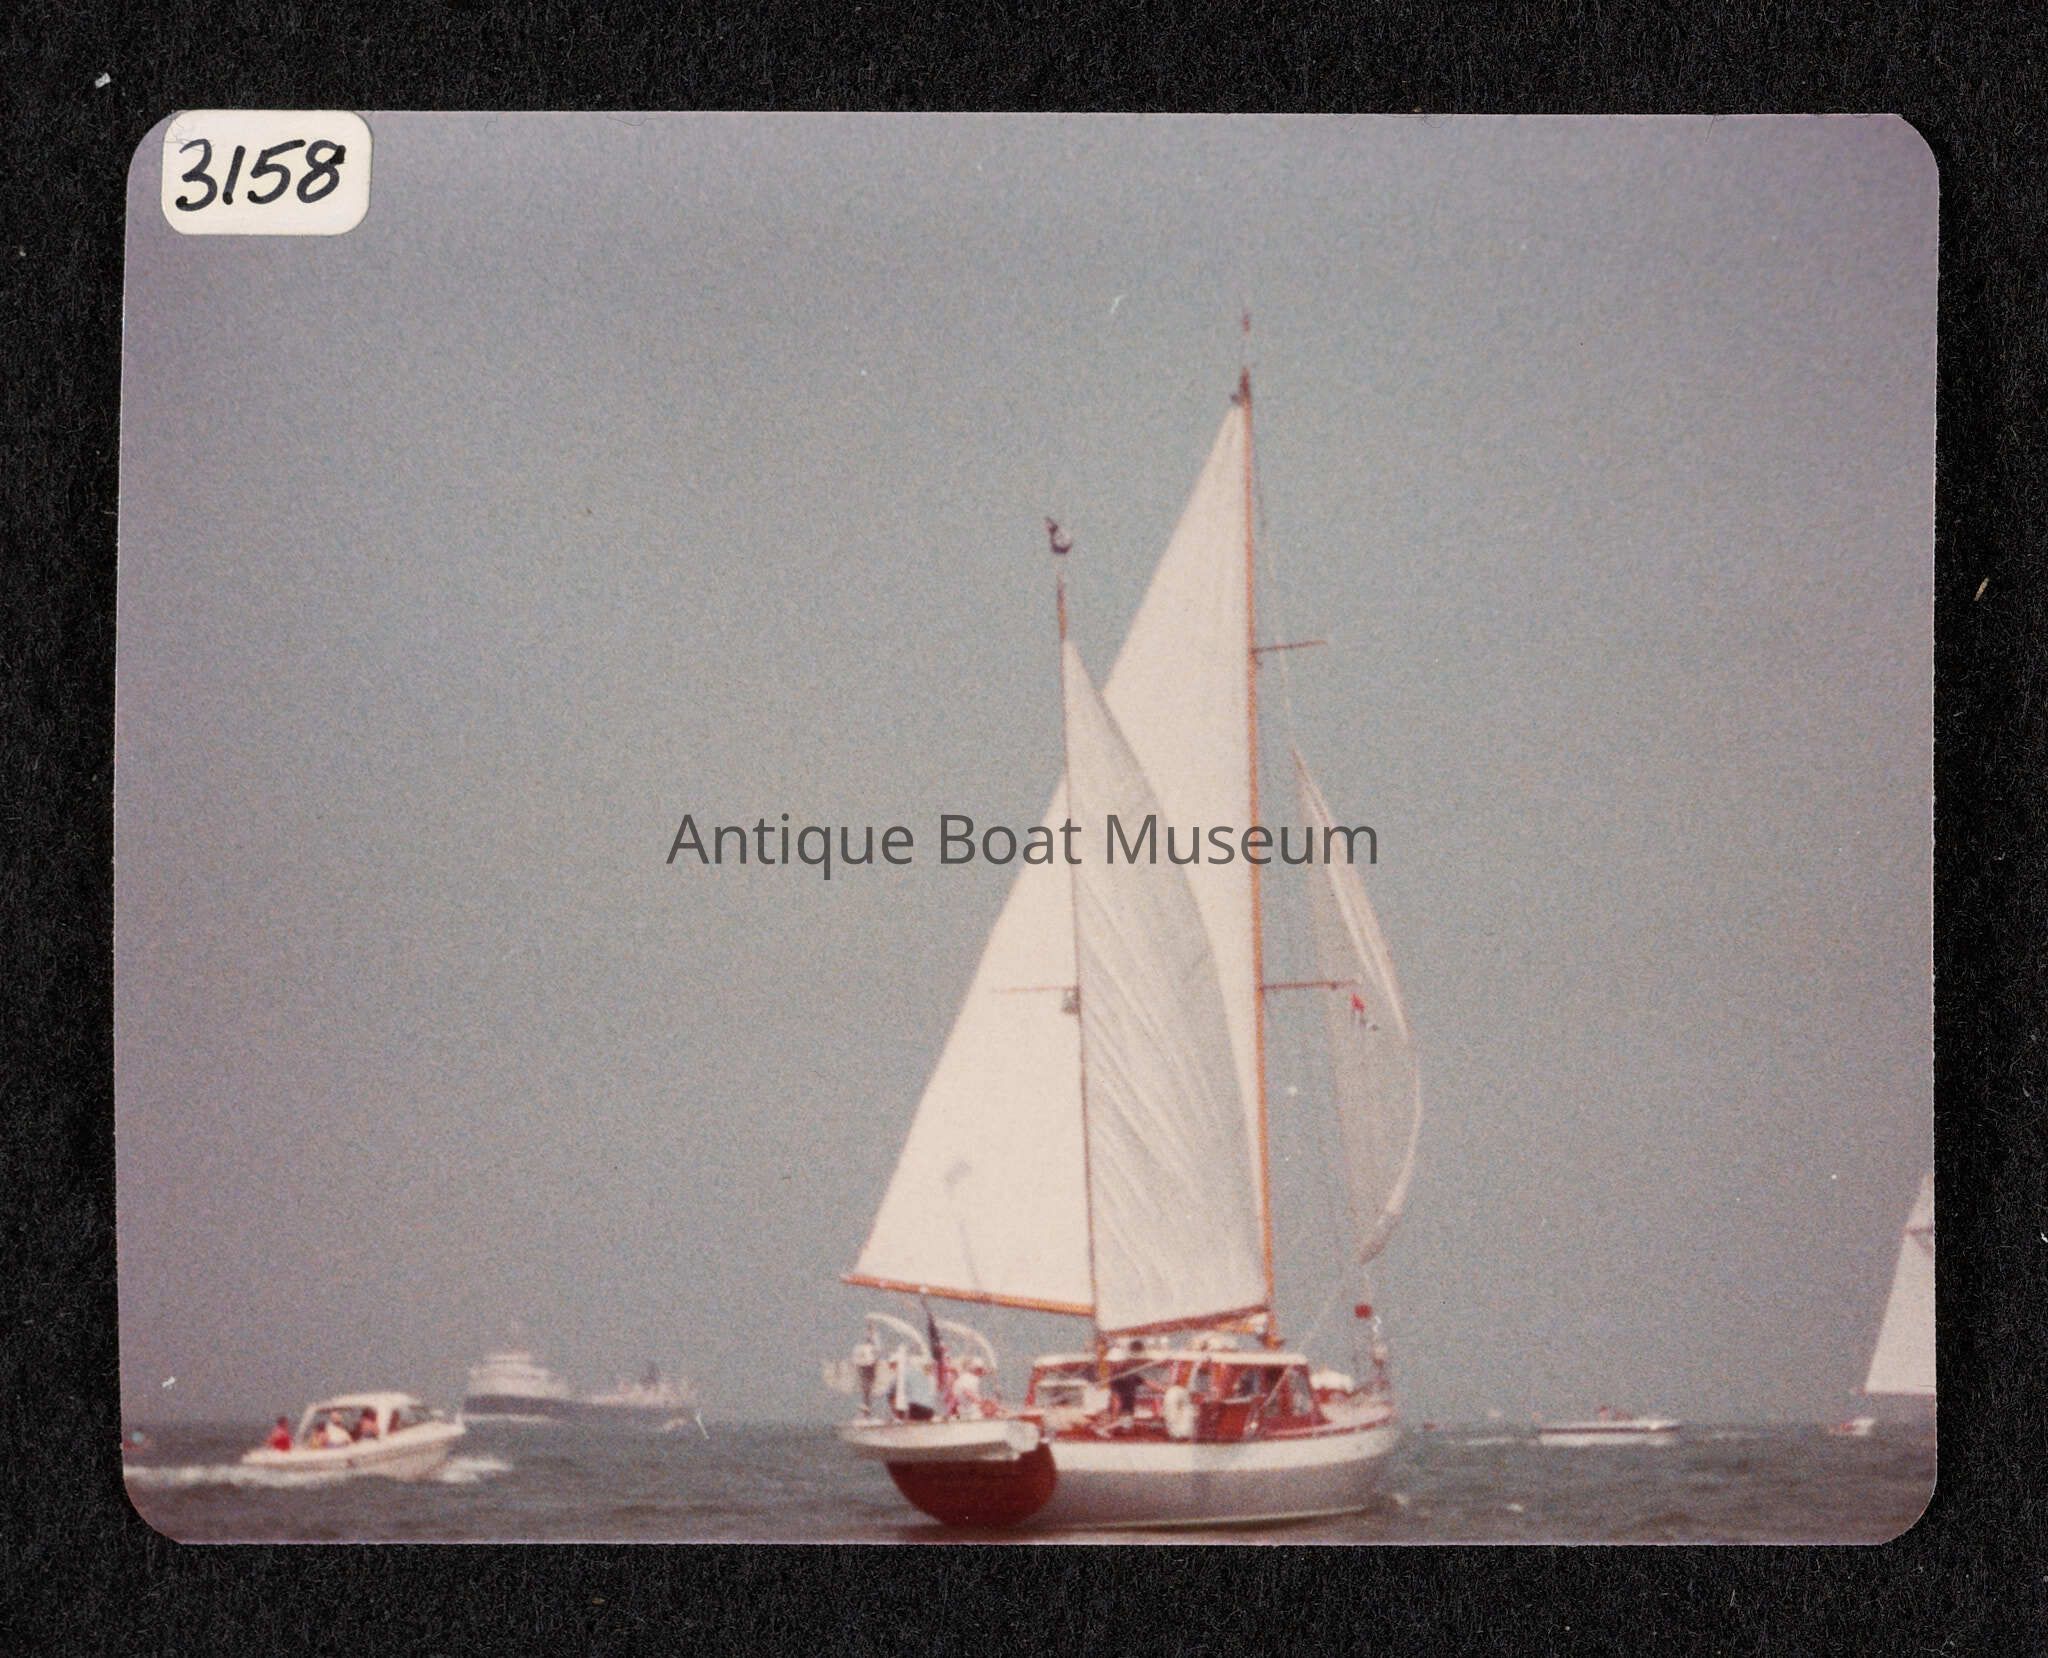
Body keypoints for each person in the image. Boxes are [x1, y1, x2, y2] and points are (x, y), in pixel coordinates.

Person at [901, 1357, 939, 1422]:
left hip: (925, 1408)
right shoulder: (918, 1378)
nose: (929, 1368)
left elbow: (932, 1395)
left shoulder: (932, 1379)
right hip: (917, 1407)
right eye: (926, 1367)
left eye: (930, 1367)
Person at [851, 1333, 879, 1415]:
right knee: (866, 1388)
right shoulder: (867, 1348)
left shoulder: (861, 1348)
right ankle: (866, 1406)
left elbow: (856, 1360)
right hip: (867, 1367)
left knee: (867, 1388)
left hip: (866, 1367)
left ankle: (867, 1406)